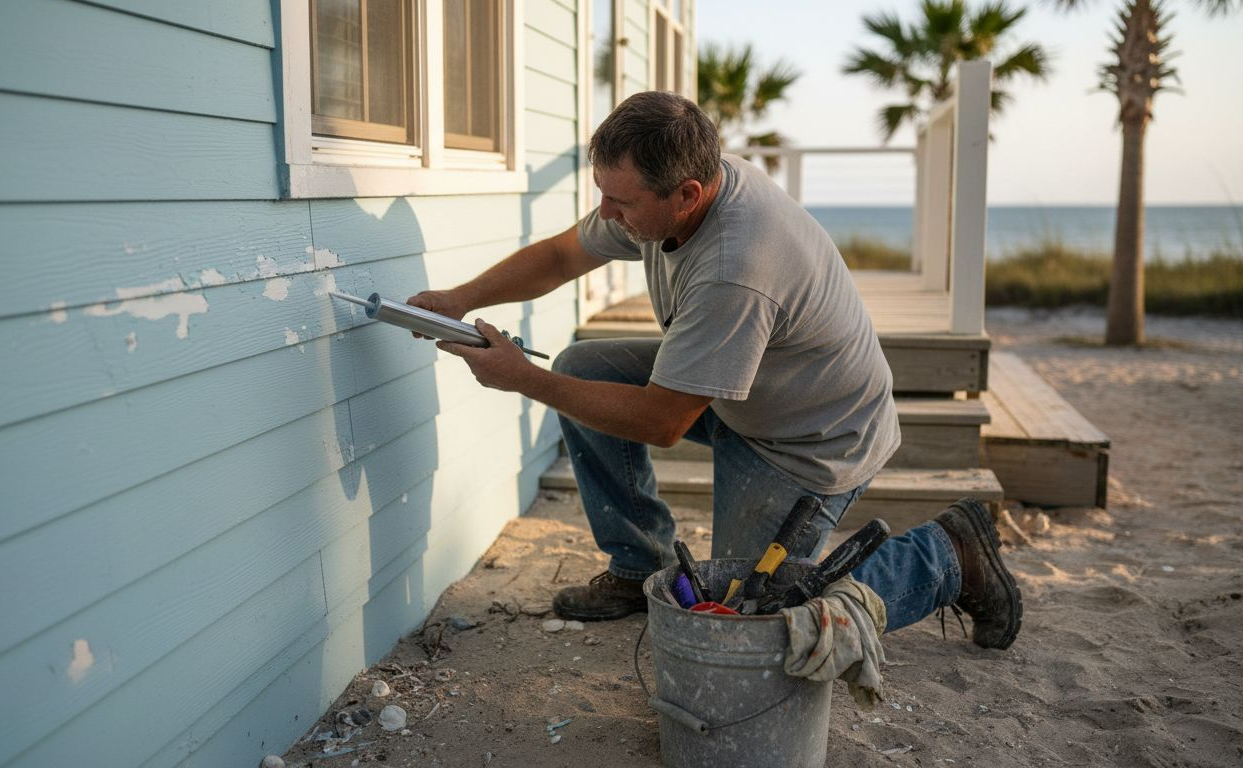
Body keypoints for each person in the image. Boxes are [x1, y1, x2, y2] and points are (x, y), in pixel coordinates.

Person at [408, 91, 1022, 649]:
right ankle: (637, 567)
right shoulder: (667, 193)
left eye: (619, 202)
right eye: (602, 192)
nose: (606, 212)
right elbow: (562, 254)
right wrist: (462, 299)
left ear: (688, 195)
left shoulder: (736, 266)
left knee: (746, 618)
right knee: (583, 366)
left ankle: (946, 556)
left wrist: (524, 379)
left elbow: (663, 421)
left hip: (811, 441)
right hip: (743, 394)